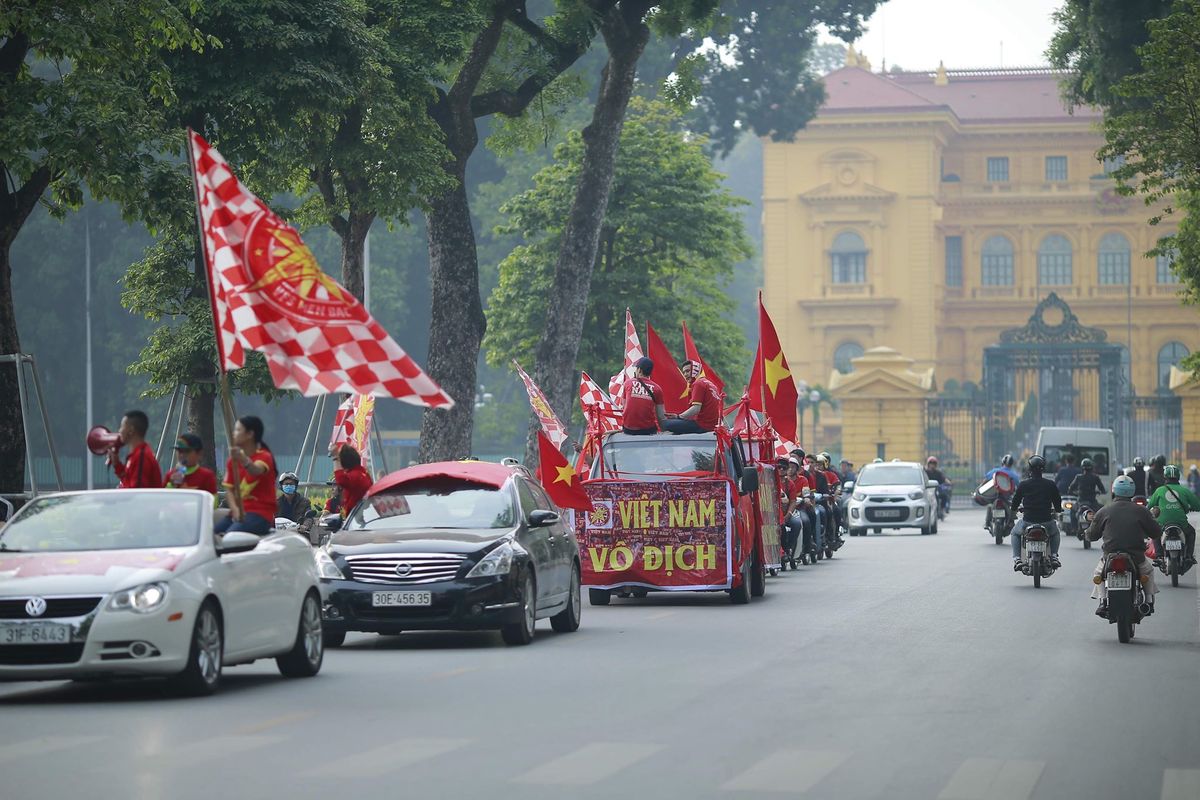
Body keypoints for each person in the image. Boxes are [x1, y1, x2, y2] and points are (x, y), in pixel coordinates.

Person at [1086, 475, 1159, 615]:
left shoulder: (1104, 511)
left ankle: (1103, 601)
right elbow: (1155, 532)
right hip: (1136, 557)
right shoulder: (1142, 511)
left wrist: (1087, 532)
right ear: (1131, 491)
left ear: (1114, 490)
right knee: (1148, 571)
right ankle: (1149, 601)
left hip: (1109, 556)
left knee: (1098, 574)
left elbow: (1092, 535)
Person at [215, 415, 277, 536]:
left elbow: (256, 470)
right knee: (212, 535)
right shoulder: (232, 461)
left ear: (250, 434)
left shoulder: (264, 456)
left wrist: (244, 460)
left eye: (238, 430)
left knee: (230, 537)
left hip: (259, 514)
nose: (234, 433)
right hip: (238, 513)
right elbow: (229, 489)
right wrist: (235, 509)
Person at [1010, 455, 1062, 571]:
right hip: (1046, 522)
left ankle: (1017, 559)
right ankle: (1054, 556)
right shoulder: (1050, 484)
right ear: (1043, 469)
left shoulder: (1024, 484)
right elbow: (1057, 501)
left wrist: (1014, 509)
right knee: (1055, 533)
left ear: (1029, 469)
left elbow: (1015, 501)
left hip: (1028, 521)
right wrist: (1058, 510)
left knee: (1014, 533)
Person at [1147, 464, 1200, 565]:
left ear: (1165, 477)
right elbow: (1197, 506)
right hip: (1181, 523)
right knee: (1191, 532)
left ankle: (1158, 556)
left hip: (1163, 523)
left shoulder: (1159, 491)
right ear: (1178, 477)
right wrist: (1192, 508)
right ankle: (1189, 556)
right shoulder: (1185, 490)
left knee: (1155, 533)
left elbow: (1149, 506)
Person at [107, 410, 162, 489]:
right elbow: (128, 480)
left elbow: (137, 492)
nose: (119, 431)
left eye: (122, 426)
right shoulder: (138, 454)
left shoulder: (141, 456)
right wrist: (116, 464)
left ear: (131, 430)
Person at [664, 360, 722, 434]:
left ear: (695, 370)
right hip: (713, 425)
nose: (685, 375)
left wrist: (678, 416)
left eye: (687, 371)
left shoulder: (698, 384)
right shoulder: (710, 384)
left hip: (703, 426)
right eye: (684, 372)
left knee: (666, 424)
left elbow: (696, 409)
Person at [620, 357, 667, 435]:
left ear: (639, 370)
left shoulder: (628, 383)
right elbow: (661, 415)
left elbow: (624, 406)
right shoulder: (657, 389)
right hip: (647, 430)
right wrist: (663, 431)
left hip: (628, 429)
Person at [331, 444, 373, 518]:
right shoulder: (364, 474)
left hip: (356, 518)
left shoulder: (355, 476)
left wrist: (335, 458)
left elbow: (341, 479)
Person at [983, 454, 1020, 533]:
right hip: (1006, 498)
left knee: (990, 506)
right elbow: (1019, 487)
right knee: (1012, 509)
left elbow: (985, 480)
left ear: (1002, 462)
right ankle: (1010, 522)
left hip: (995, 496)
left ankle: (987, 522)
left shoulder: (995, 471)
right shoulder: (1014, 475)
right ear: (1011, 464)